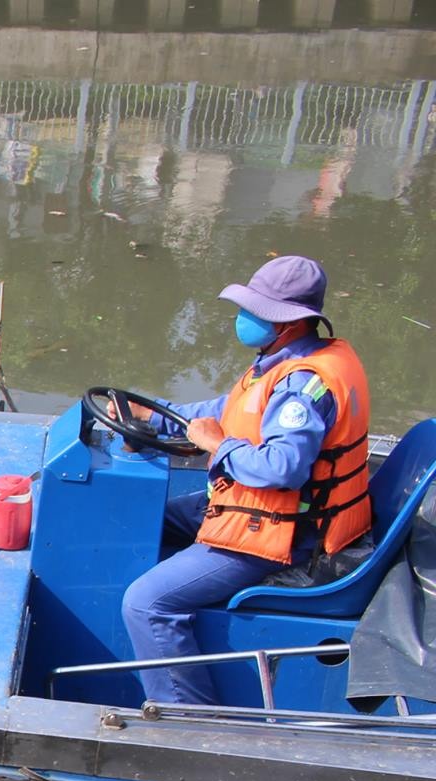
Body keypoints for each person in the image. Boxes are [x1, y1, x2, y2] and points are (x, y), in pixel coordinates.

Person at [119, 255, 370, 706]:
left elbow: (283, 468)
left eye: (256, 311)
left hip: (284, 532)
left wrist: (219, 447)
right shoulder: (279, 362)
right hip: (249, 504)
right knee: (143, 517)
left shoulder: (303, 387)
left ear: (289, 323)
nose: (244, 318)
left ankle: (189, 720)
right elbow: (226, 412)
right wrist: (156, 414)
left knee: (146, 602)